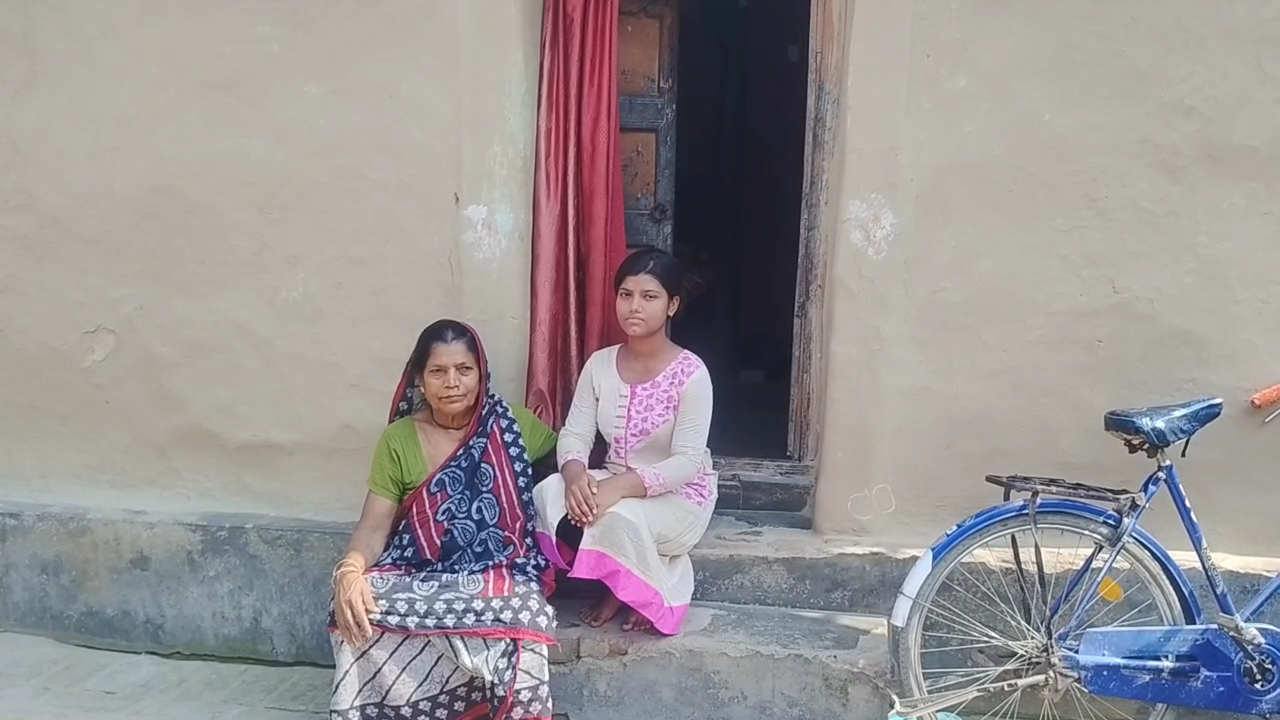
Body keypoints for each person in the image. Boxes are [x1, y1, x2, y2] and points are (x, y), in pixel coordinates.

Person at [328, 320, 559, 720]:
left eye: (464, 370)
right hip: (417, 569)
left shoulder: (512, 425)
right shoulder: (399, 438)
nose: (452, 382)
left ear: (481, 374)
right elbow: (374, 526)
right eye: (438, 371)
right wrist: (349, 571)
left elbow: (567, 463)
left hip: (498, 569)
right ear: (419, 379)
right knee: (353, 605)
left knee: (524, 611)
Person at [533, 247, 717, 635]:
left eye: (649, 296)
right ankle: (615, 576)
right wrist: (575, 475)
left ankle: (634, 592)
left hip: (679, 495)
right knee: (548, 491)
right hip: (611, 480)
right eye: (625, 294)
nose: (634, 306)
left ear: (672, 305)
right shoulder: (600, 364)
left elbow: (687, 462)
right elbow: (576, 432)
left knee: (618, 516)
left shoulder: (692, 373)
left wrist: (616, 488)